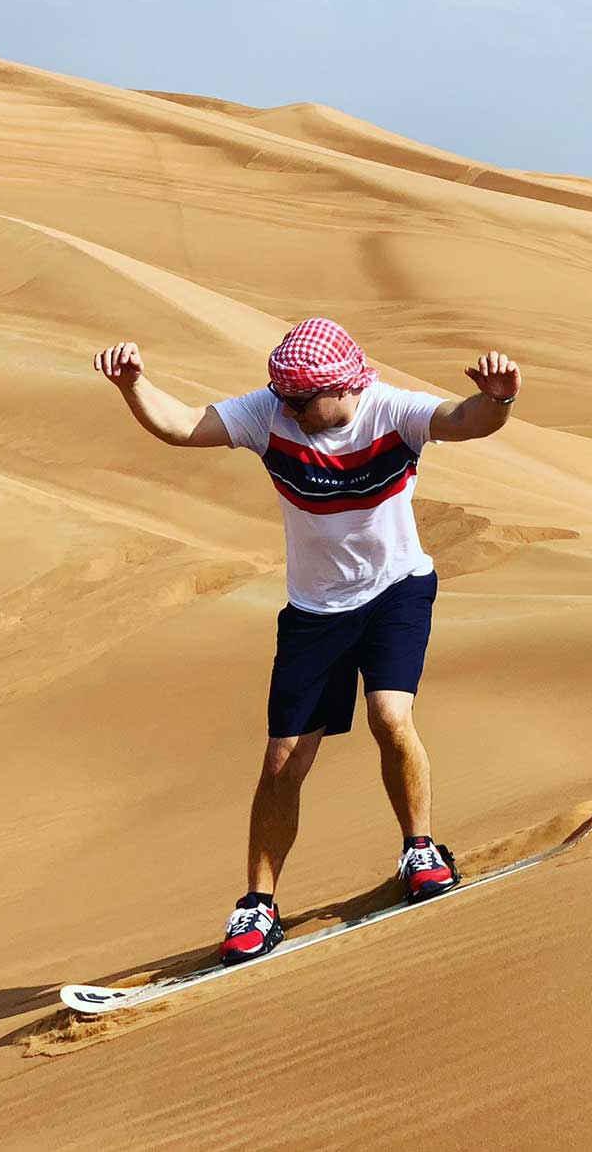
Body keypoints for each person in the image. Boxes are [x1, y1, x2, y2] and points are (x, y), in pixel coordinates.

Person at [94, 319, 522, 965]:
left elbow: (464, 421)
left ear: (343, 386)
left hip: (395, 592)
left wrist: (499, 401)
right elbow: (183, 425)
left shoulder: (391, 410)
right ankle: (258, 908)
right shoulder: (270, 413)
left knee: (389, 715)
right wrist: (133, 386)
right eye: (282, 399)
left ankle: (421, 850)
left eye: (299, 400)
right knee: (282, 761)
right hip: (315, 612)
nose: (287, 408)